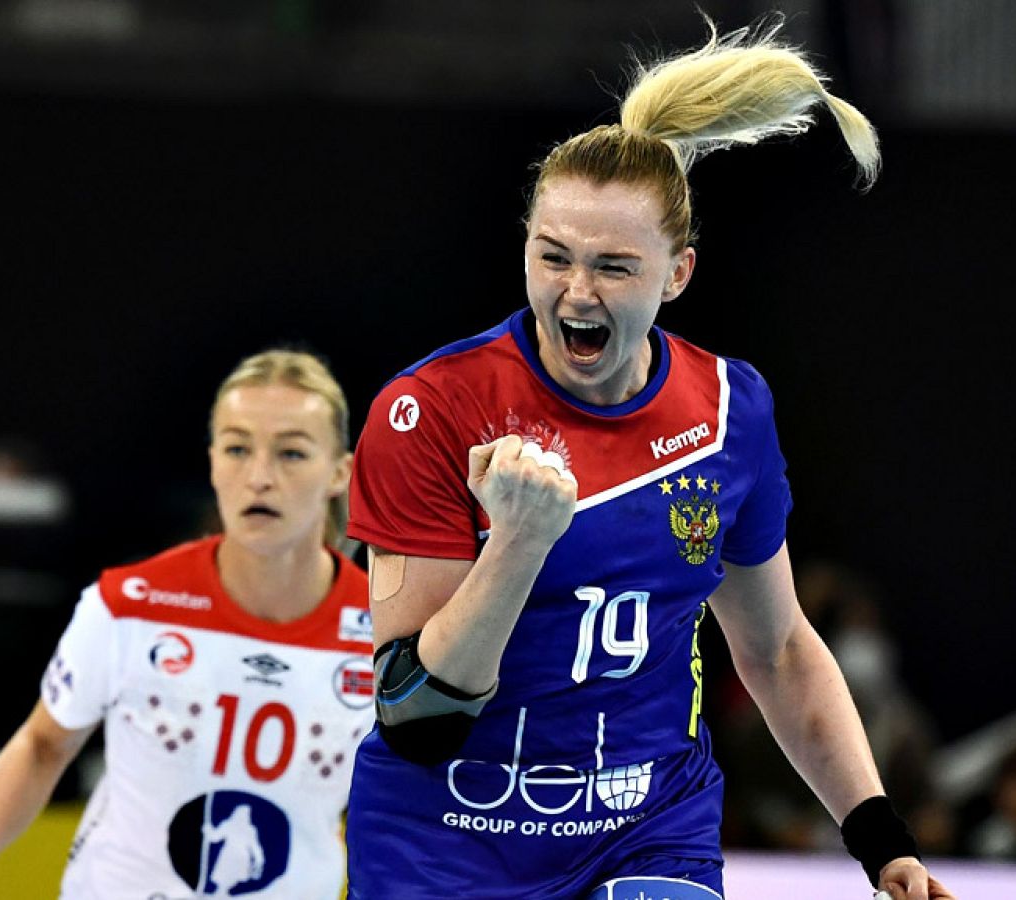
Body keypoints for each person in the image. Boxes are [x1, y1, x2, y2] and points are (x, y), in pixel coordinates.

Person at [345, 20, 954, 900]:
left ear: (678, 274)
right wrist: (518, 543)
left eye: (614, 267)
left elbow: (779, 650)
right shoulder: (430, 411)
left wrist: (881, 840)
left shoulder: (728, 411)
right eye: (553, 257)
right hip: (446, 844)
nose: (577, 291)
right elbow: (417, 717)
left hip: (645, 829)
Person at [0, 349, 373, 899]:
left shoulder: (384, 630)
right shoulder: (129, 604)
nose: (259, 477)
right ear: (212, 462)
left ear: (339, 472)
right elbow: (44, 745)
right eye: (237, 449)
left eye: (291, 453)